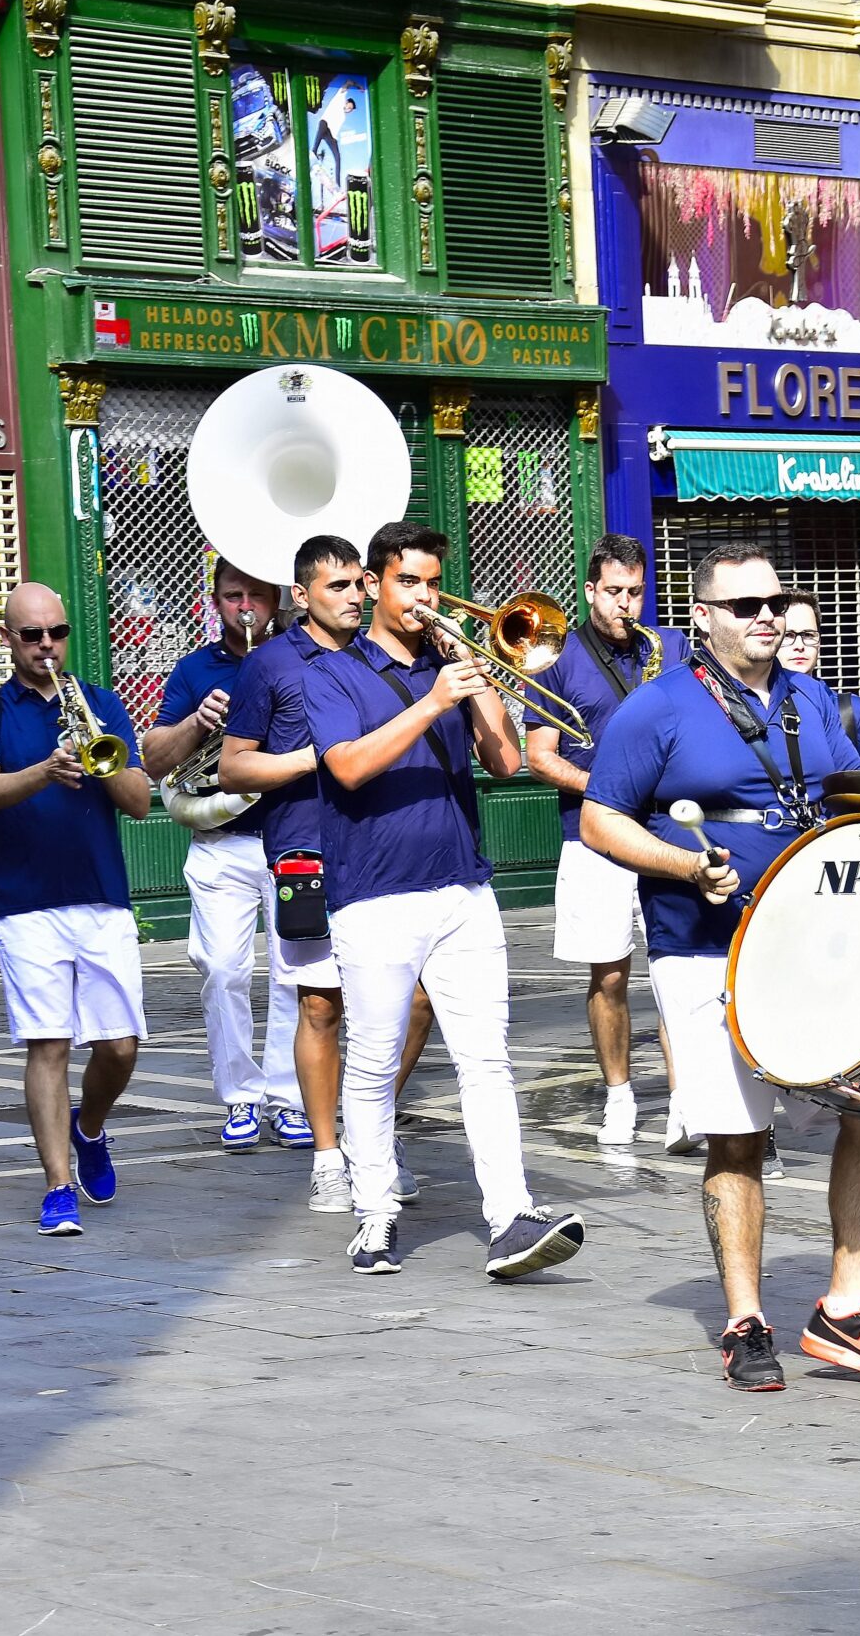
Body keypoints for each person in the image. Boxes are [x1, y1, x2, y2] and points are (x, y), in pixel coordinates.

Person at [583, 542, 860, 1391]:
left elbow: (840, 805)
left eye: (774, 601)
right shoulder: (657, 707)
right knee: (738, 1136)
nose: (767, 616)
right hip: (703, 946)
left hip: (813, 940)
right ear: (702, 617)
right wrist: (682, 866)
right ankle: (745, 1319)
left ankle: (847, 1310)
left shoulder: (814, 699)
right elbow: (601, 820)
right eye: (745, 605)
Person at [300, 521, 585, 1281]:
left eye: (432, 581)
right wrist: (432, 702)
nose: (426, 598)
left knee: (486, 1059)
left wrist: (481, 678)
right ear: (373, 585)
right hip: (372, 892)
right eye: (409, 582)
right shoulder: (331, 672)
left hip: (462, 884)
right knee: (372, 1060)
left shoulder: (455, 665)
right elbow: (349, 767)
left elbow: (507, 759)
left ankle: (510, 1216)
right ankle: (376, 1213)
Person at [217, 535, 436, 1214]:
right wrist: (314, 759)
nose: (351, 595)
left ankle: (367, 1129)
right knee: (321, 1004)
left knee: (417, 1001)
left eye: (357, 583)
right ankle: (326, 1157)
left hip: (389, 847)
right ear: (302, 594)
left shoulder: (386, 653)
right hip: (307, 849)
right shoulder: (272, 664)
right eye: (336, 586)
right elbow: (233, 766)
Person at [0, 584, 152, 1236]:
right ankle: (56, 1184)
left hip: (101, 893)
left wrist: (103, 759)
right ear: (8, 638)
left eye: (57, 632)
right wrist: (44, 771)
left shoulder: (100, 703)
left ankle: (90, 1126)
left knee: (120, 1046)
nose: (47, 645)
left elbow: (138, 801)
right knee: (48, 1043)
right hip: (25, 901)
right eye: (32, 635)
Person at [519, 533, 689, 1149]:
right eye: (614, 592)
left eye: (636, 592)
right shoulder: (554, 657)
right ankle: (619, 1095)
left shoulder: (671, 648)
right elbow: (538, 758)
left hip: (665, 828)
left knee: (678, 968)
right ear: (590, 590)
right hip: (592, 832)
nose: (626, 605)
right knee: (610, 975)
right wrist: (610, 787)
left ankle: (684, 1098)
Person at [140, 560, 313, 1154]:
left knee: (296, 973)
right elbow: (156, 760)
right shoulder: (195, 671)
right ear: (214, 602)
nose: (245, 608)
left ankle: (290, 1099)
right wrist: (197, 722)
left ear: (277, 601)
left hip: (291, 838)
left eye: (256, 597)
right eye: (232, 596)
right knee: (223, 971)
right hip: (220, 843)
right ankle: (241, 1095)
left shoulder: (300, 658)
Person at [779, 593, 860, 768]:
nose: (799, 645)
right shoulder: (754, 710)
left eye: (808, 635)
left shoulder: (853, 711)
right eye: (788, 635)